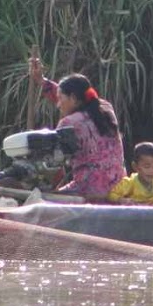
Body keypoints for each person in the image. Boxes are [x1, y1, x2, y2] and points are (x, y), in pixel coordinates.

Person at [27, 56, 124, 200]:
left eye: (60, 99)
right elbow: (76, 98)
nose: (58, 105)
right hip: (120, 186)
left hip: (89, 189)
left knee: (41, 199)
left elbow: (56, 165)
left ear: (73, 98)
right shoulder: (105, 108)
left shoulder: (68, 123)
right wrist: (42, 81)